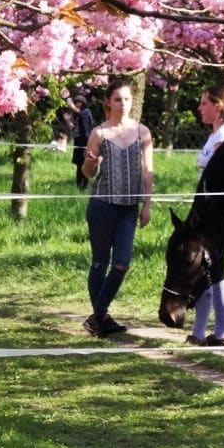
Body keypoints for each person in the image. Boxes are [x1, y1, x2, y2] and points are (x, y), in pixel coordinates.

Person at [81, 79, 153, 337]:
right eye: (117, 100)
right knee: (100, 261)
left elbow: (147, 170)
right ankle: (101, 317)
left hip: (128, 208)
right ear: (108, 103)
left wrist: (147, 204)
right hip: (102, 205)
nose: (122, 104)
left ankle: (97, 315)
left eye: (126, 99)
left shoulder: (143, 132)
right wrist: (91, 162)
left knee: (122, 263)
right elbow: (87, 173)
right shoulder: (99, 133)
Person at [187, 85, 224, 347]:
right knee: (215, 269)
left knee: (208, 268)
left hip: (220, 213)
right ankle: (216, 332)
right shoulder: (215, 135)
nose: (200, 108)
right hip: (209, 211)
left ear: (218, 106)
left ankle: (209, 332)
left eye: (204, 103)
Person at [70, 94, 94, 190]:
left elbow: (86, 129)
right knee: (81, 164)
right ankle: (80, 184)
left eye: (79, 102)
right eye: (75, 102)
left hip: (83, 142)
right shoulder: (83, 113)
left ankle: (82, 185)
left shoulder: (84, 113)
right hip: (79, 141)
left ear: (83, 103)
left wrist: (88, 144)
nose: (77, 104)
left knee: (82, 164)